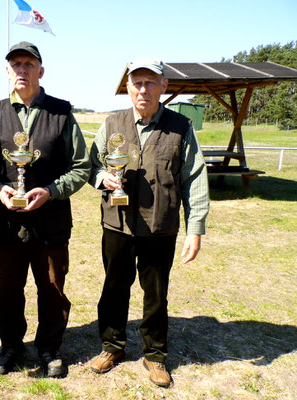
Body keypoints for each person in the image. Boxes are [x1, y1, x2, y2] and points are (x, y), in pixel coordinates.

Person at [88, 58, 210, 388]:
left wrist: (195, 228)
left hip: (161, 226)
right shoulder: (112, 123)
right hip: (118, 223)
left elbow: (194, 177)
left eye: (150, 82)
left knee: (156, 293)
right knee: (114, 288)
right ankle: (111, 346)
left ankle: (155, 355)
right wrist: (103, 178)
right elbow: (89, 164)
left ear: (163, 86)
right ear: (127, 88)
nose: (143, 89)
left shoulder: (181, 126)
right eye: (137, 83)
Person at [0, 41, 91, 378]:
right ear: (8, 71)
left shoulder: (61, 112)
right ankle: (10, 345)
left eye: (29, 64)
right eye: (16, 65)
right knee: (8, 289)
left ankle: (49, 348)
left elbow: (82, 166)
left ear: (41, 70)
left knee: (52, 288)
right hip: (7, 224)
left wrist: (52, 190)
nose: (22, 70)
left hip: (51, 222)